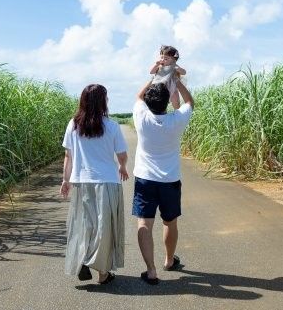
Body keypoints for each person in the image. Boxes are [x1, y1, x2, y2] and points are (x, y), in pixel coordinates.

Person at [60, 84, 129, 285]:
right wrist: (122, 167)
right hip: (107, 181)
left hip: (81, 182)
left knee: (83, 226)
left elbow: (68, 156)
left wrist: (65, 180)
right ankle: (103, 274)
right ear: (102, 102)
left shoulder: (73, 124)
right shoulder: (112, 126)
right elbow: (122, 155)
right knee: (105, 229)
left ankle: (83, 258)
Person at [131, 77, 194, 285]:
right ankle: (169, 261)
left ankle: (150, 270)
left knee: (144, 224)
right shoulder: (176, 120)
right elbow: (189, 102)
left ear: (148, 103)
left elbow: (139, 96)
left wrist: (154, 76)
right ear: (167, 102)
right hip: (170, 180)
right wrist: (176, 80)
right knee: (170, 222)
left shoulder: (141, 117)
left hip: (145, 179)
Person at [148, 45, 186, 110]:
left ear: (173, 60)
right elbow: (151, 72)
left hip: (172, 87)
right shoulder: (160, 66)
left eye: (166, 58)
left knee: (176, 102)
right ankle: (160, 113)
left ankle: (177, 112)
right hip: (159, 88)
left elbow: (184, 72)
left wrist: (178, 68)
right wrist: (156, 65)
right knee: (159, 103)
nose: (162, 60)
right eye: (161, 57)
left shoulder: (174, 66)